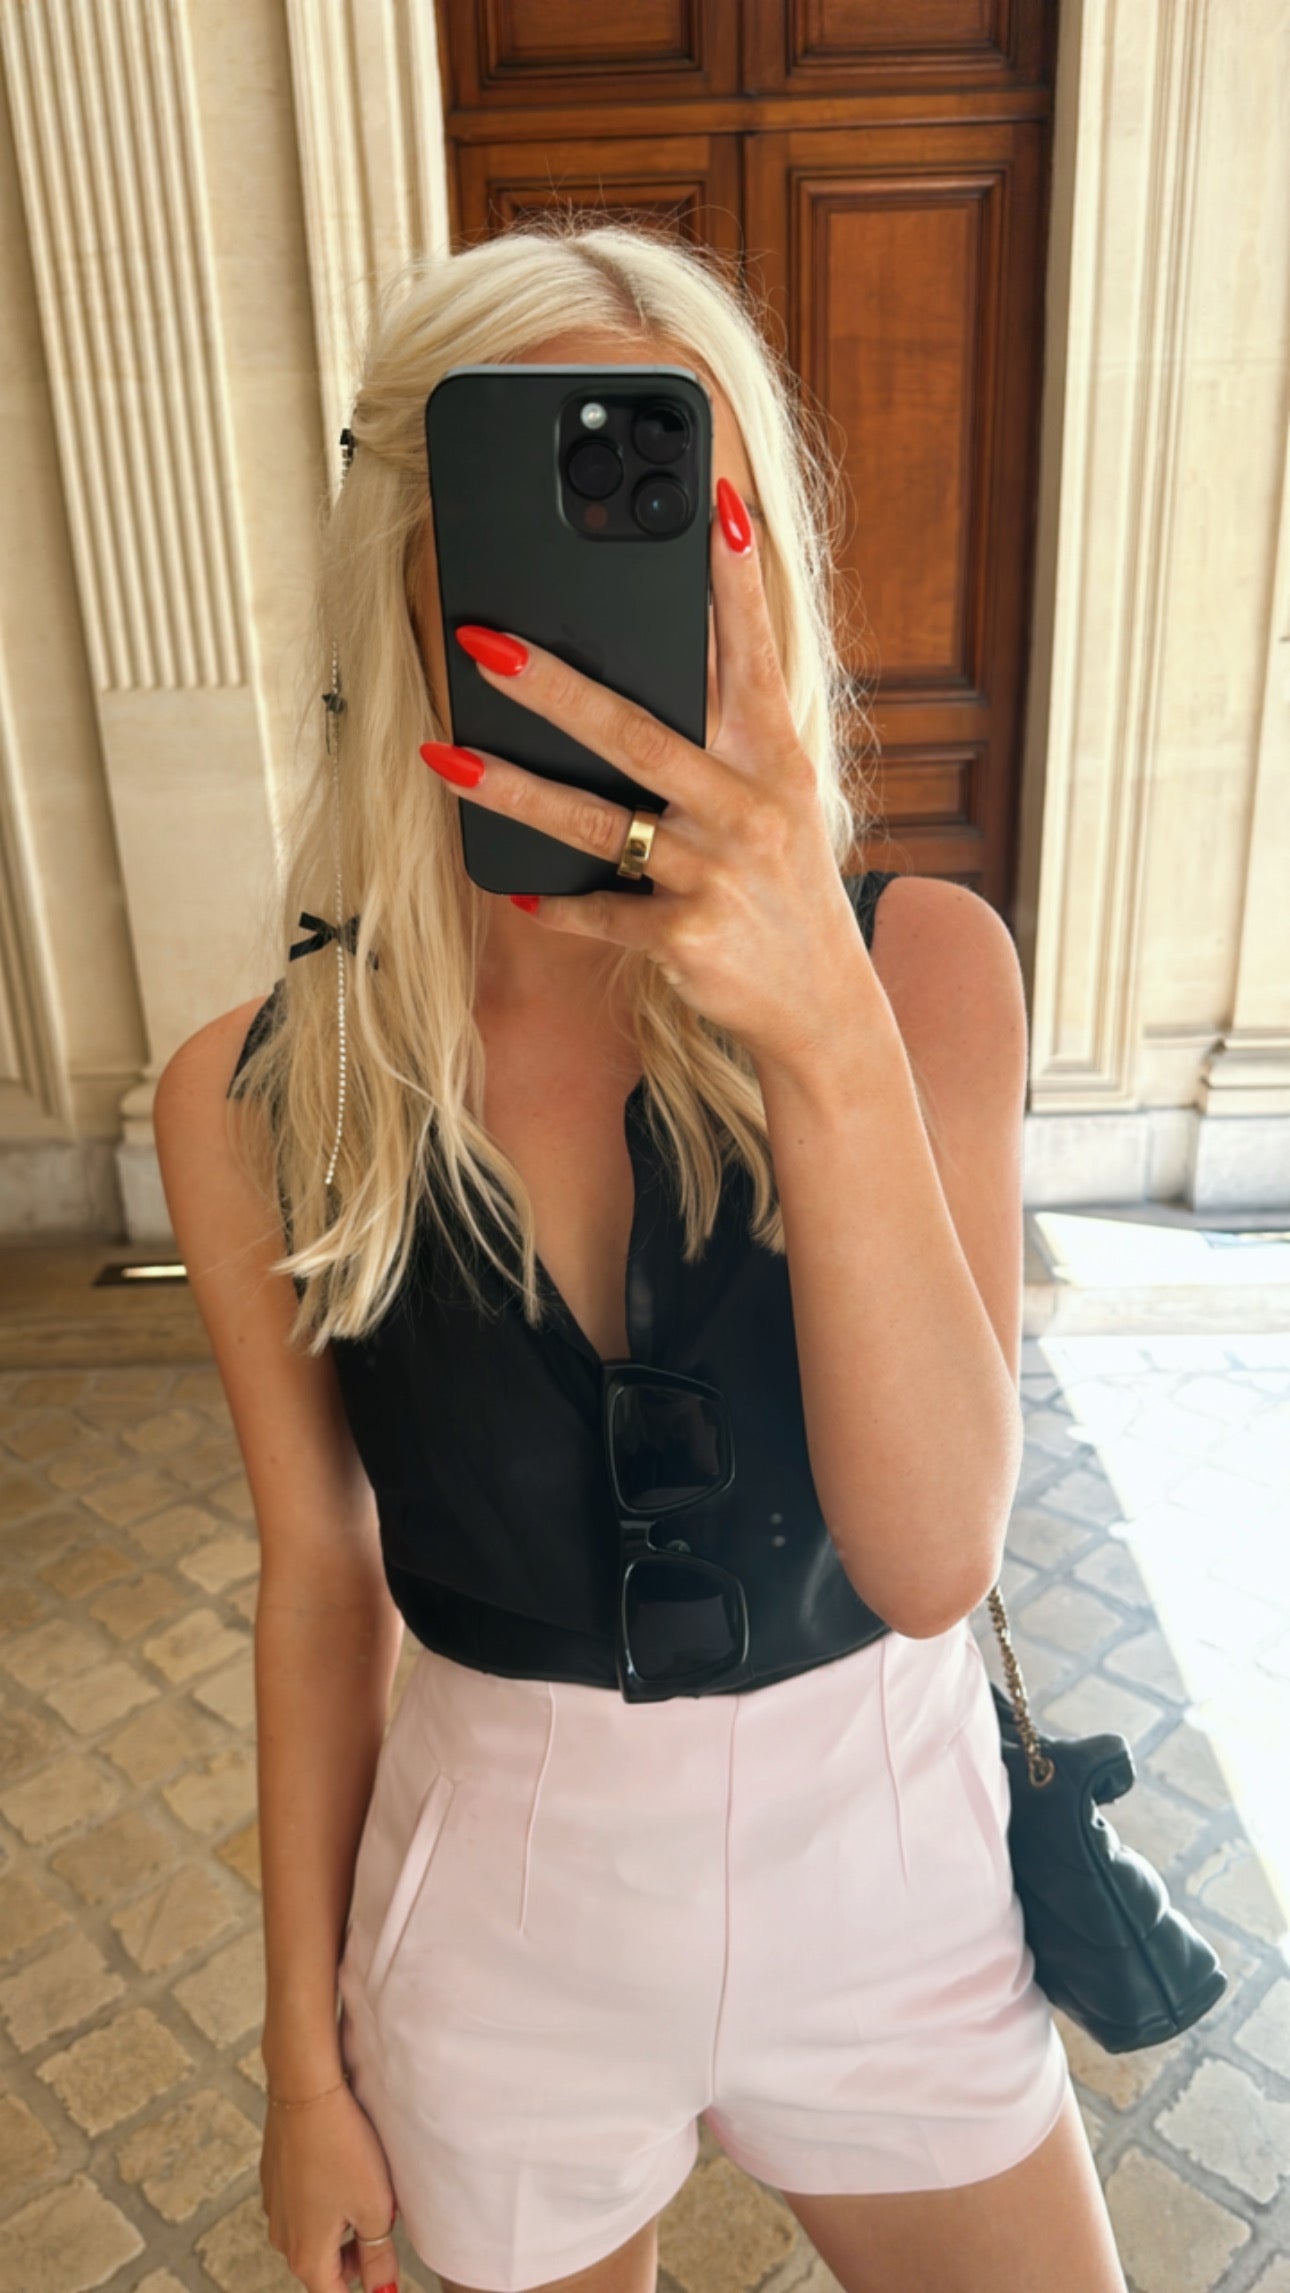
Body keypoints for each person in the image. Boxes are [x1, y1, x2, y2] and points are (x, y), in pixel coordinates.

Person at [154, 219, 1128, 2293]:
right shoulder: (260, 1094)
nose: (615, 594)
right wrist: (300, 2068)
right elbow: (321, 1579)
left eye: (670, 502)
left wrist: (819, 1028)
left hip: (892, 1865)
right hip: (500, 1912)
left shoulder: (921, 972)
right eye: (541, 514)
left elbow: (931, 1555)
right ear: (411, 570)